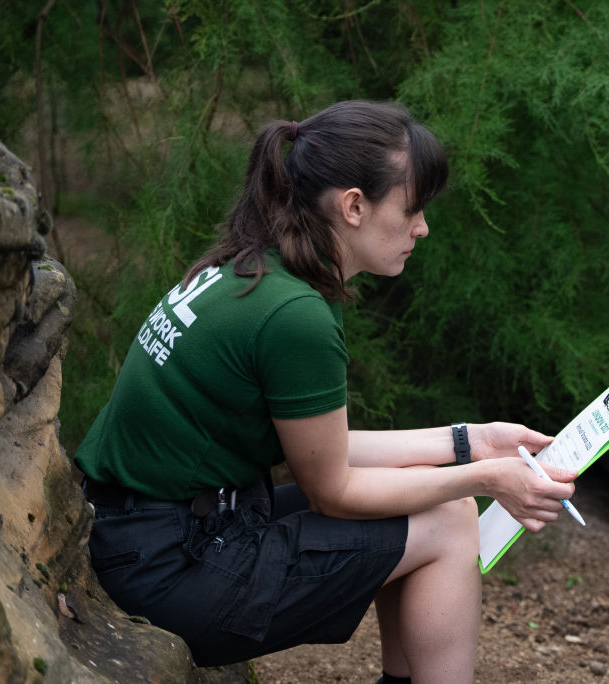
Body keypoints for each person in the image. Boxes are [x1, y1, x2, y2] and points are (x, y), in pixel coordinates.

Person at [73, 100, 577, 684]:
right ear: (354, 206)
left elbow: (320, 448)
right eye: (413, 208)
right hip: (169, 567)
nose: (423, 227)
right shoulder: (295, 315)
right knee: (448, 522)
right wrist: (487, 479)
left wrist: (471, 443)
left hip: (143, 535)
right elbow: (332, 490)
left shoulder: (253, 269)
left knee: (441, 506)